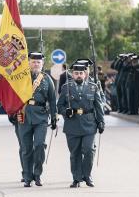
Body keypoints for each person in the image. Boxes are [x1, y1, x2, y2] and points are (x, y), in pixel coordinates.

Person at [57, 62, 104, 188]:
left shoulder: (93, 87)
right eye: (76, 73)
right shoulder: (66, 87)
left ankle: (87, 175)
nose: (78, 75)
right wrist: (65, 112)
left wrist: (101, 121)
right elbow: (59, 105)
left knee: (89, 150)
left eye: (81, 73)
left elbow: (98, 106)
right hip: (72, 124)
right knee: (75, 153)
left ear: (85, 74)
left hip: (89, 123)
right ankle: (76, 178)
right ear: (72, 74)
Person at [18, 52, 57, 187]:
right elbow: (13, 96)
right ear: (29, 62)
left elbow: (52, 100)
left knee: (39, 145)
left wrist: (53, 118)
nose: (36, 64)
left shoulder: (47, 79)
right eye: (33, 62)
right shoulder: (21, 78)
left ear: (42, 64)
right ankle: (27, 176)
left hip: (41, 116)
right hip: (24, 115)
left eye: (38, 62)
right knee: (26, 148)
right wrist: (12, 113)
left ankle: (38, 174)